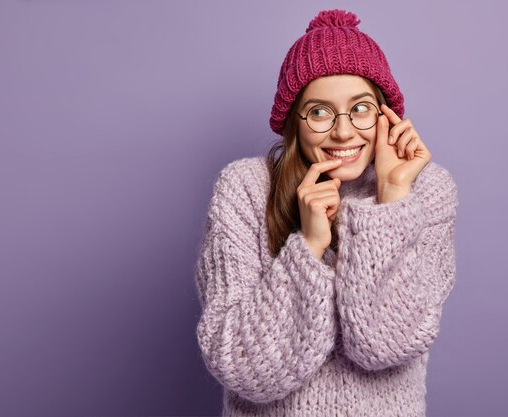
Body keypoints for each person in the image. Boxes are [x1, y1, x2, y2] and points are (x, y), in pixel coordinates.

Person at [194, 8, 459, 417]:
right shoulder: (245, 188)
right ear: (293, 122)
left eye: (361, 108)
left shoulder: (426, 190)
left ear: (386, 113)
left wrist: (391, 200)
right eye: (319, 111)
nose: (343, 130)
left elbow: (385, 345)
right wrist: (310, 245)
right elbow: (242, 366)